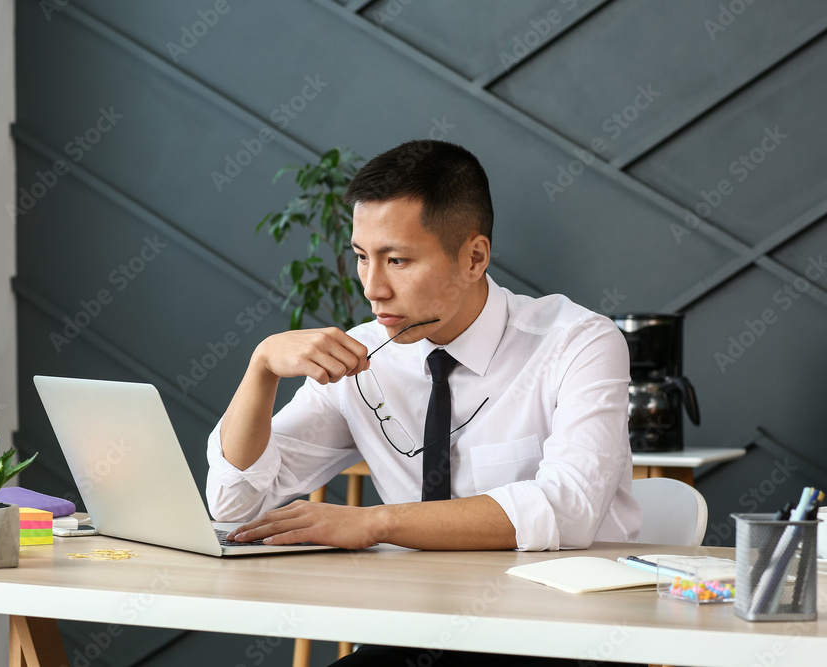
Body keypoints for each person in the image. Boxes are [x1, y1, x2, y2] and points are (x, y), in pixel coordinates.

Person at [206, 140, 641, 666]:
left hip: (565, 637)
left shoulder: (578, 342)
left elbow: (567, 508)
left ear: (474, 257)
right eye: (362, 258)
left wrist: (374, 523)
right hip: (420, 637)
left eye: (398, 260)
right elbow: (235, 506)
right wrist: (260, 369)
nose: (373, 288)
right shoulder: (361, 355)